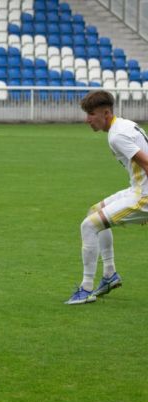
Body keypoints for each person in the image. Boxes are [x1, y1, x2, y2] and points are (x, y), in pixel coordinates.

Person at [65, 90, 148, 304]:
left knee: (88, 225)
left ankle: (86, 288)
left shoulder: (117, 135)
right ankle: (110, 274)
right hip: (137, 189)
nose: (87, 120)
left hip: (144, 195)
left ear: (107, 112)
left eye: (91, 114)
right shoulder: (124, 125)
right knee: (95, 212)